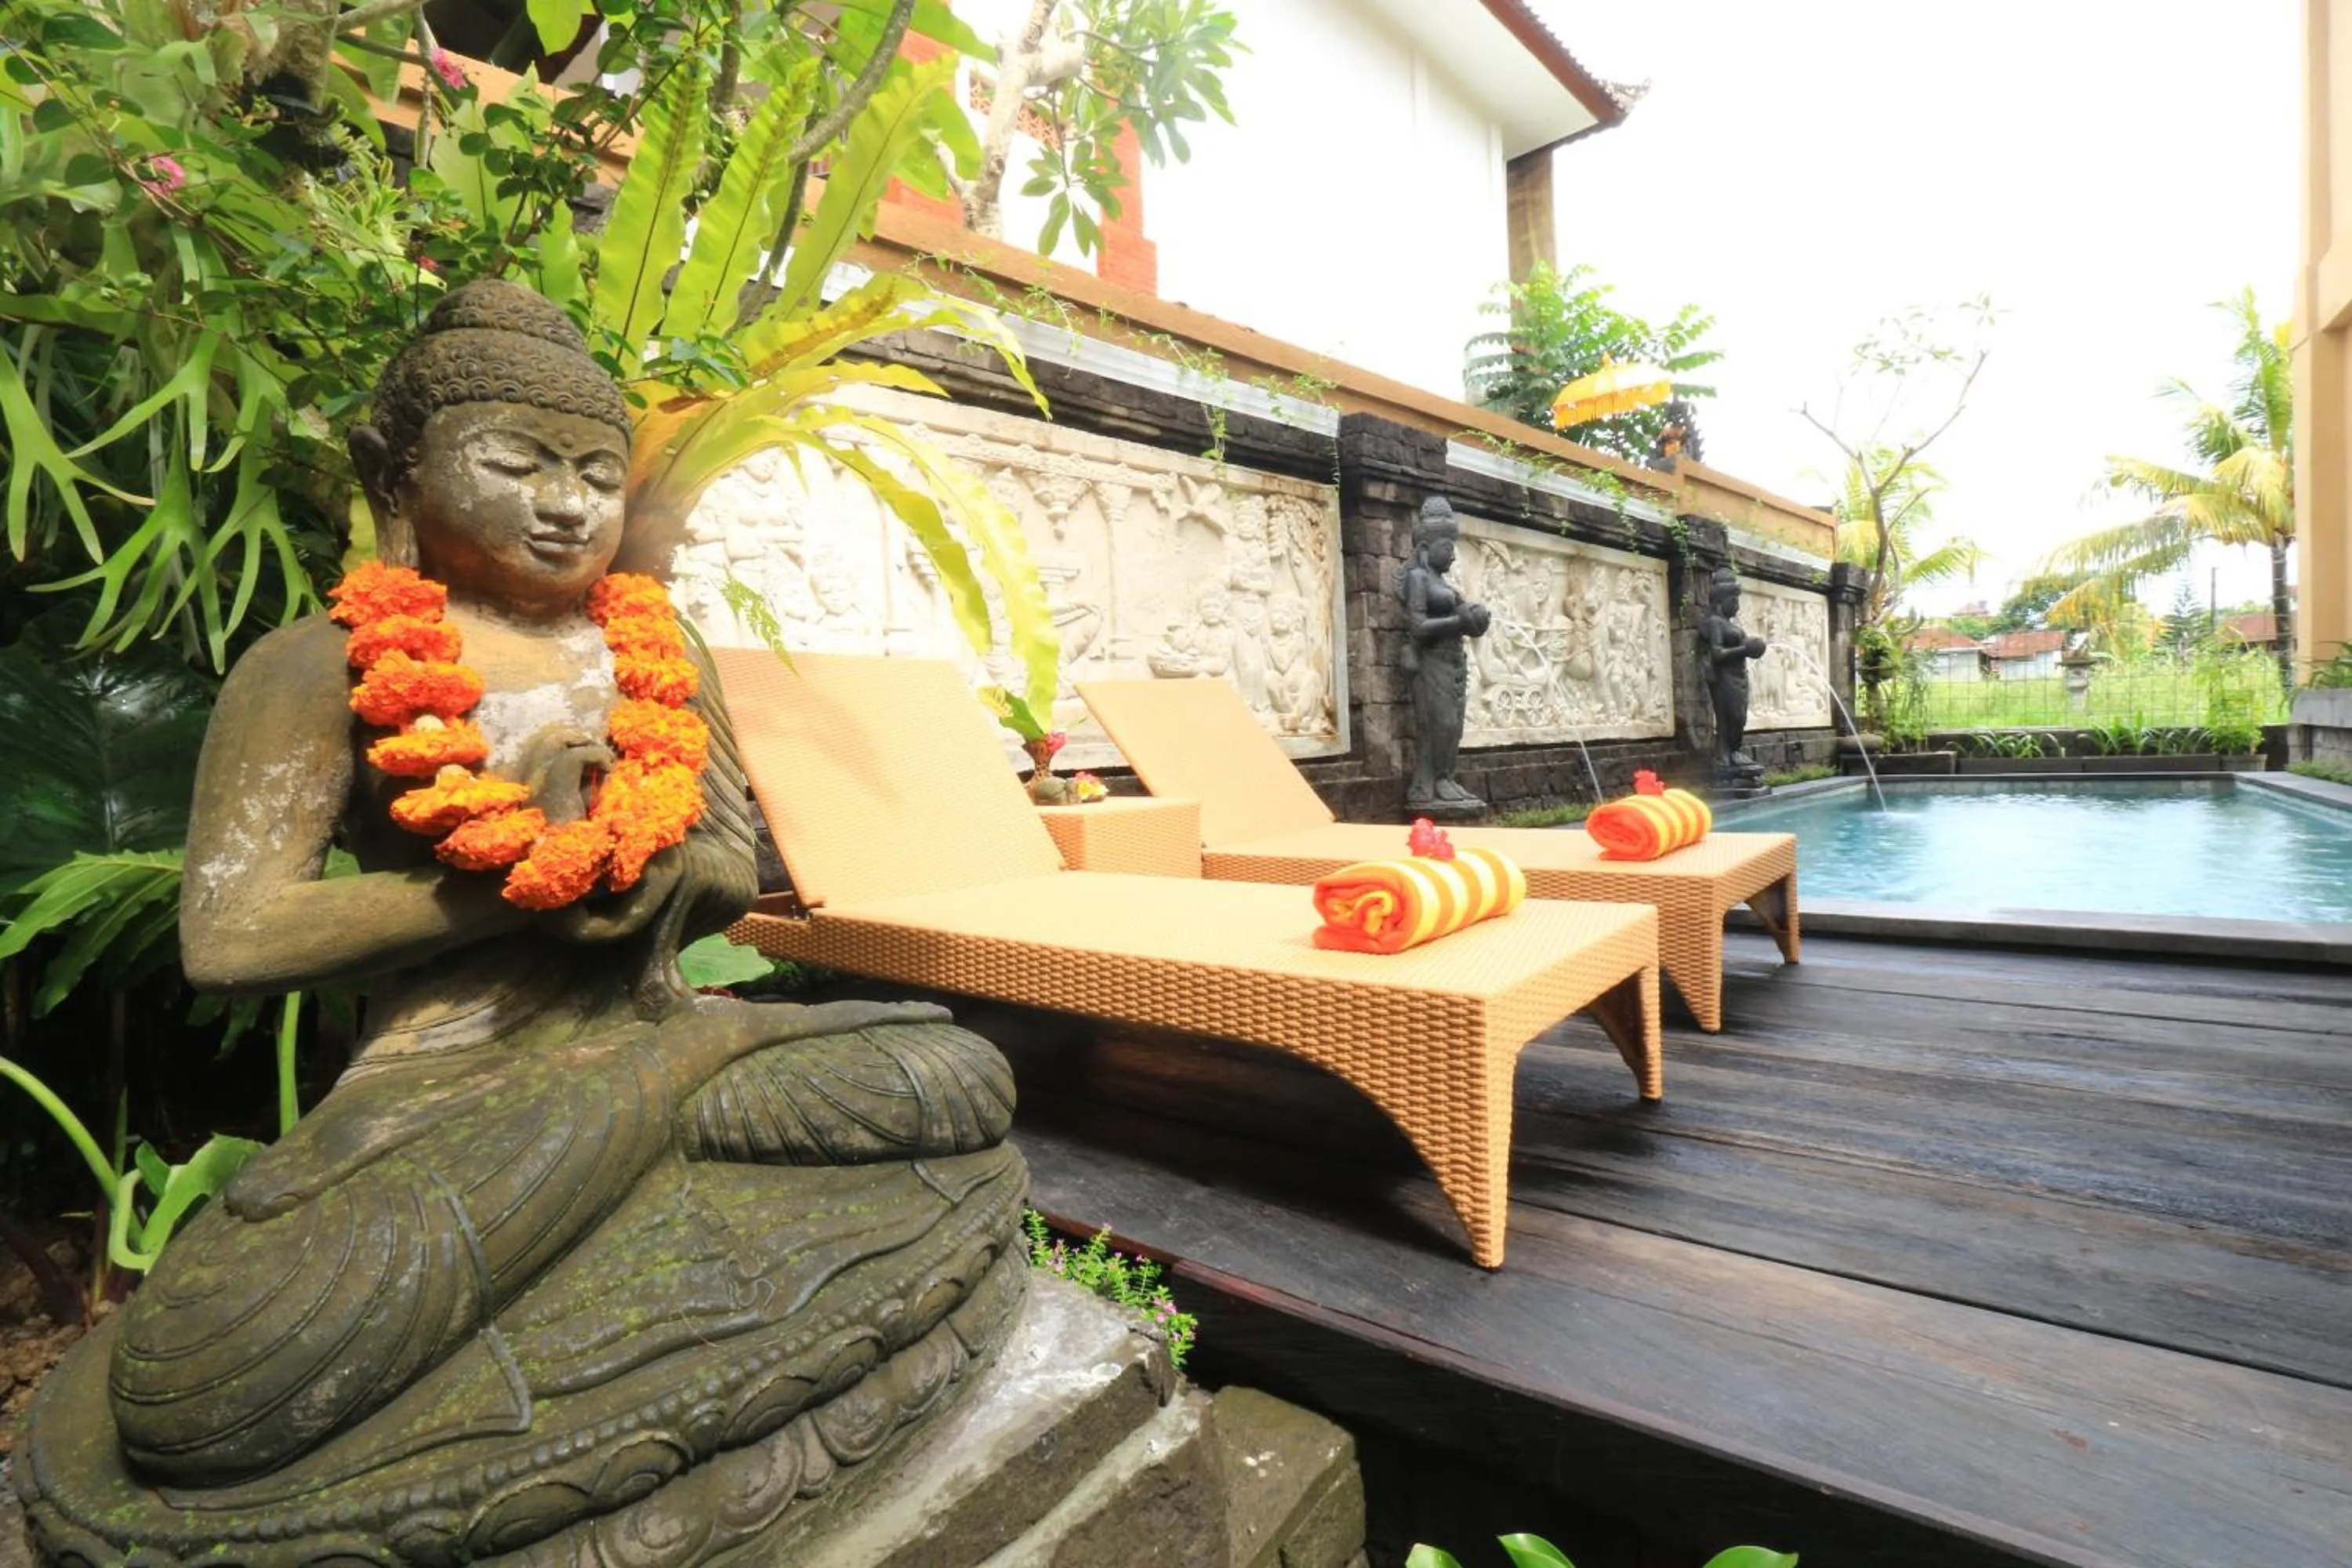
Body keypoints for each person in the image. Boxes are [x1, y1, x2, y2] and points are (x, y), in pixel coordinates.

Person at [19, 282, 1026, 1566]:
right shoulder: (312, 667)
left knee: (948, 1071)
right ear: (400, 472)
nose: (567, 502)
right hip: (440, 1087)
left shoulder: (659, 651)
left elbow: (733, 861)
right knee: (207, 1383)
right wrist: (505, 881)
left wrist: (645, 876)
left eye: (598, 475)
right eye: (519, 464)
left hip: (659, 1033)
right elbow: (233, 939)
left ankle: (652, 1163)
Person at [1398, 497, 1491, 808]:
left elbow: (1464, 618)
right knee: (1440, 723)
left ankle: (1447, 778)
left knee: (1455, 724)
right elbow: (1418, 627)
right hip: (1430, 660)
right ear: (1426, 548)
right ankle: (1431, 784)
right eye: (1447, 547)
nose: (1453, 554)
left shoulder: (1443, 582)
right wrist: (1457, 621)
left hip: (1453, 660)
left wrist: (1476, 619)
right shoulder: (1418, 578)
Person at [1700, 565, 1769, 779]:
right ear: (1722, 601)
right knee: (1729, 717)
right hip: (1724, 678)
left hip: (1740, 676)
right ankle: (1724, 757)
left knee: (1740, 717)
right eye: (1735, 600)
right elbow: (1717, 653)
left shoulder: (1732, 624)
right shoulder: (1715, 623)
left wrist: (1750, 648)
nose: (1738, 606)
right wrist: (1745, 649)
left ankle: (1735, 752)